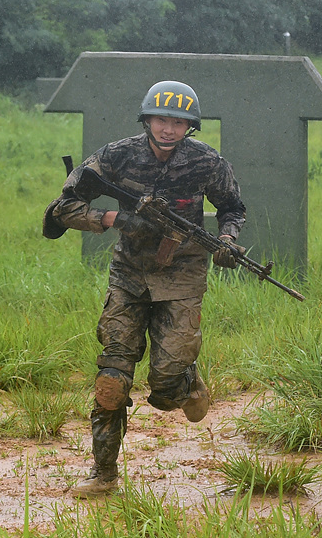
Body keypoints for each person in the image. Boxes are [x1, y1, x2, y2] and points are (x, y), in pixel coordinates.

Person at [42, 80, 246, 498]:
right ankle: (103, 476)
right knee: (111, 382)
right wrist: (113, 218)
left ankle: (185, 383)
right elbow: (62, 208)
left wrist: (226, 240)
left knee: (166, 388)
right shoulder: (117, 155)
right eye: (161, 119)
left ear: (189, 126)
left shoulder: (207, 161)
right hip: (129, 276)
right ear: (147, 119)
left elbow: (232, 208)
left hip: (183, 277)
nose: (168, 128)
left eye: (178, 122)